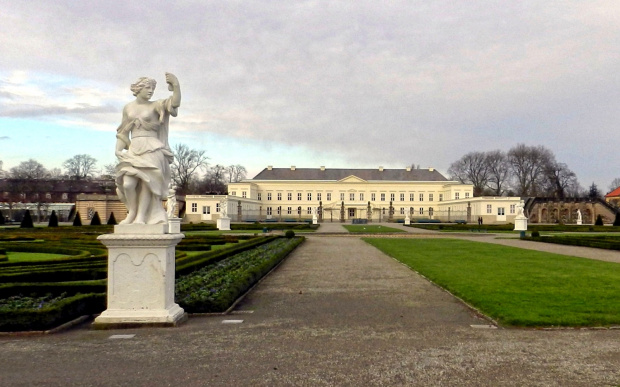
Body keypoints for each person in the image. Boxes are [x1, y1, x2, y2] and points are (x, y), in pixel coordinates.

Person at [115, 73, 181, 225]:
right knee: (128, 184)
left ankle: (141, 217)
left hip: (152, 148)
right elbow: (123, 131)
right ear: (138, 89)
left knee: (147, 183)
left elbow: (175, 103)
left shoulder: (156, 105)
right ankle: (132, 212)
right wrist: (118, 150)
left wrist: (175, 86)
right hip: (134, 149)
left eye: (153, 88)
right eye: (147, 87)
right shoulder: (128, 108)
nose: (151, 90)